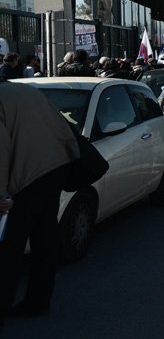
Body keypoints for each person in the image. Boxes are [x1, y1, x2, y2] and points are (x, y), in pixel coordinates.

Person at [0, 81, 80, 326]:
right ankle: (38, 301)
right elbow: (62, 127)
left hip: (25, 178)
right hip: (54, 168)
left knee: (8, 249)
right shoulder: (27, 91)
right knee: (44, 239)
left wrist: (1, 194)